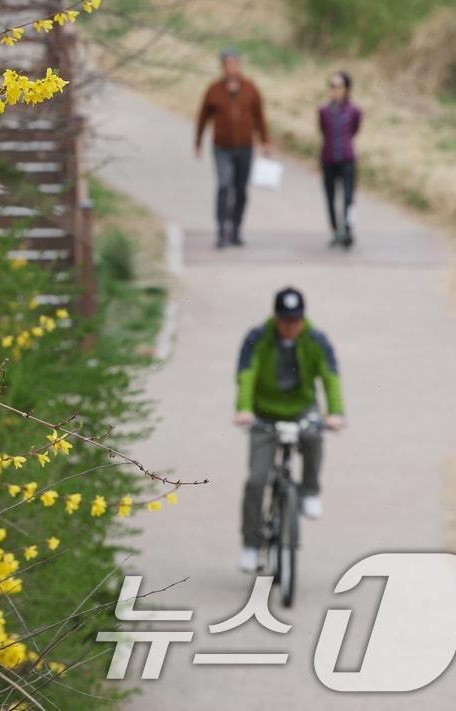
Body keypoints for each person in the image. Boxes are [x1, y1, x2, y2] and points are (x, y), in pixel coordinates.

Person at [233, 286, 346, 573]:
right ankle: (251, 544)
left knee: (313, 435)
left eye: (295, 320)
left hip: (301, 409)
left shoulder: (316, 339)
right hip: (264, 414)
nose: (290, 326)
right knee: (256, 481)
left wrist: (335, 413)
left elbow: (330, 375)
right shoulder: (258, 337)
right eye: (285, 320)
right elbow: (247, 373)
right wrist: (244, 409)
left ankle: (309, 491)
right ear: (276, 317)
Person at [195, 49, 273, 249]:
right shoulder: (214, 90)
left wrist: (265, 141)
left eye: (235, 64)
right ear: (222, 67)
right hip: (222, 147)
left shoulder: (250, 88)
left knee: (241, 189)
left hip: (245, 147)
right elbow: (203, 116)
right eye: (228, 64)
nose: (232, 68)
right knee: (223, 185)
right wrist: (198, 141)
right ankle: (221, 229)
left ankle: (236, 228)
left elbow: (260, 116)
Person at [319, 71, 362, 248]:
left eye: (338, 86)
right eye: (332, 86)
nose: (334, 90)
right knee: (330, 197)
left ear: (346, 89)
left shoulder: (354, 110)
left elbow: (355, 129)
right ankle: (336, 230)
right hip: (328, 159)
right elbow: (323, 130)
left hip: (347, 159)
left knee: (348, 198)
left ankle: (348, 229)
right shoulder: (323, 111)